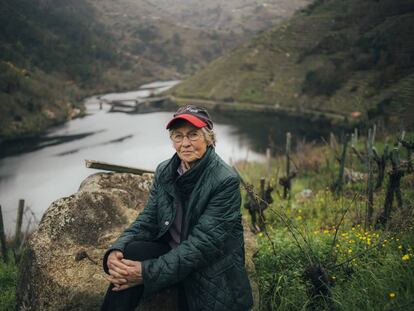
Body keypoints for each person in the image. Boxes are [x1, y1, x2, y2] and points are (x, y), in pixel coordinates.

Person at [101, 105, 253, 311]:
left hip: (206, 268)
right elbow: (148, 218)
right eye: (178, 136)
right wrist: (116, 249)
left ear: (209, 138)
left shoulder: (224, 180)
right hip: (172, 253)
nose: (185, 144)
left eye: (193, 135)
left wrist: (147, 272)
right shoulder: (166, 170)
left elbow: (202, 245)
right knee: (129, 253)